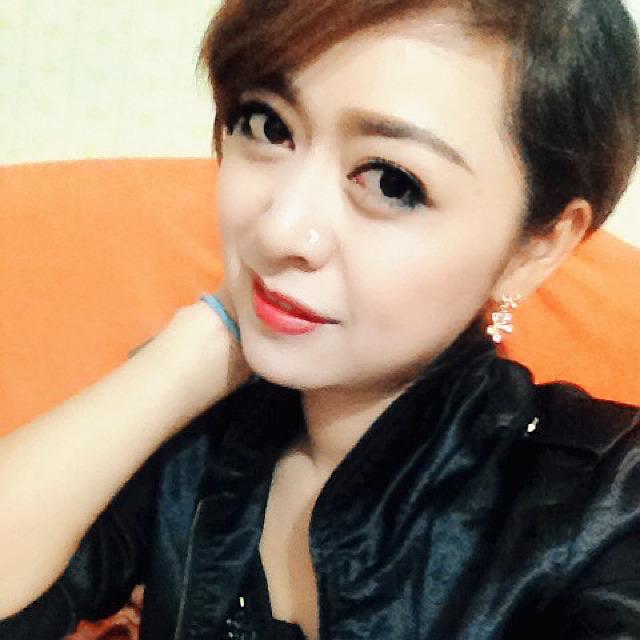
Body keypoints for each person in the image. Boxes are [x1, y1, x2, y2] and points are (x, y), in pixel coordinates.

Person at [1, 0, 640, 638]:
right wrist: (193, 350)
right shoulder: (201, 436)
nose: (278, 231)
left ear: (537, 248)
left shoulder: (608, 505)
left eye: (391, 182)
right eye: (267, 126)